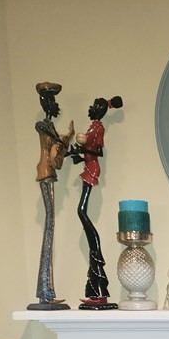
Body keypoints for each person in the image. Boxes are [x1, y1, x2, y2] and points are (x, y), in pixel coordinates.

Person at [70, 95, 123, 309]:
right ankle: (96, 258)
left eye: (97, 107)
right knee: (81, 211)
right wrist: (79, 155)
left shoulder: (99, 128)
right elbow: (90, 153)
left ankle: (96, 251)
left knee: (82, 211)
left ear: (101, 110)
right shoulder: (93, 125)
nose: (93, 109)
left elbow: (98, 151)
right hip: (87, 166)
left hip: (92, 169)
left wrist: (83, 150)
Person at [29, 82, 74, 310]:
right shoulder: (44, 125)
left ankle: (46, 291)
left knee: (50, 228)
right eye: (50, 101)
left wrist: (65, 140)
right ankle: (45, 291)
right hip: (46, 174)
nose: (53, 105)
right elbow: (56, 146)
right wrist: (65, 139)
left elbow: (60, 149)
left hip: (48, 174)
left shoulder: (49, 126)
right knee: (49, 227)